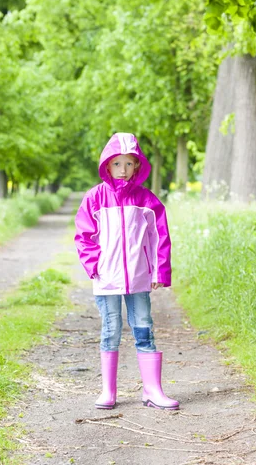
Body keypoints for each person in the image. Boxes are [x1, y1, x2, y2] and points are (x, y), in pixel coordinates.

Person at [74, 132, 179, 410]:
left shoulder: (146, 199)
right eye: (117, 163)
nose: (123, 169)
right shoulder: (95, 198)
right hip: (106, 278)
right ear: (107, 166)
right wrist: (94, 265)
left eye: (129, 164)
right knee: (110, 329)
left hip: (139, 277)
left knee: (144, 328)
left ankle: (152, 390)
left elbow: (160, 236)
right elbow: (84, 236)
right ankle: (108, 391)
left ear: (137, 166)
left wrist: (159, 272)